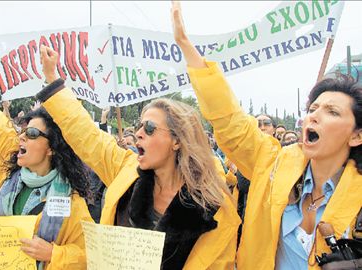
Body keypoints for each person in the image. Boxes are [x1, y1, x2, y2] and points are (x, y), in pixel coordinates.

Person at [171, 2, 362, 269]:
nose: (314, 116)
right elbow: (231, 122)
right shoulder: (274, 163)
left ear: (356, 136)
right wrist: (186, 47)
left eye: (332, 111)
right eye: (313, 108)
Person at [36, 44, 240, 269]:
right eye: (140, 126)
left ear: (177, 141)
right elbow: (86, 134)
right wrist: (53, 79)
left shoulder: (215, 207)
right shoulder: (127, 172)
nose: (139, 133)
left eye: (150, 128)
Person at [0, 54, 92, 270]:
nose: (22, 137)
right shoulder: (8, 166)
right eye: (24, 131)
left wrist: (54, 253)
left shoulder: (71, 200)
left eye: (33, 133)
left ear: (52, 149)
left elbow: (87, 255)